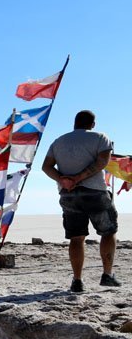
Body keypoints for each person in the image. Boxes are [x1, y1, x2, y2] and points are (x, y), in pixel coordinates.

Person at [42, 110, 120, 292]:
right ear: (92, 124)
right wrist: (78, 177)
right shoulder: (100, 137)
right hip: (95, 192)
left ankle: (77, 280)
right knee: (108, 232)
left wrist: (63, 180)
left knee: (76, 238)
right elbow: (102, 162)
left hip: (68, 194)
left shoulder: (59, 141)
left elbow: (46, 166)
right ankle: (107, 275)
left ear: (74, 123)